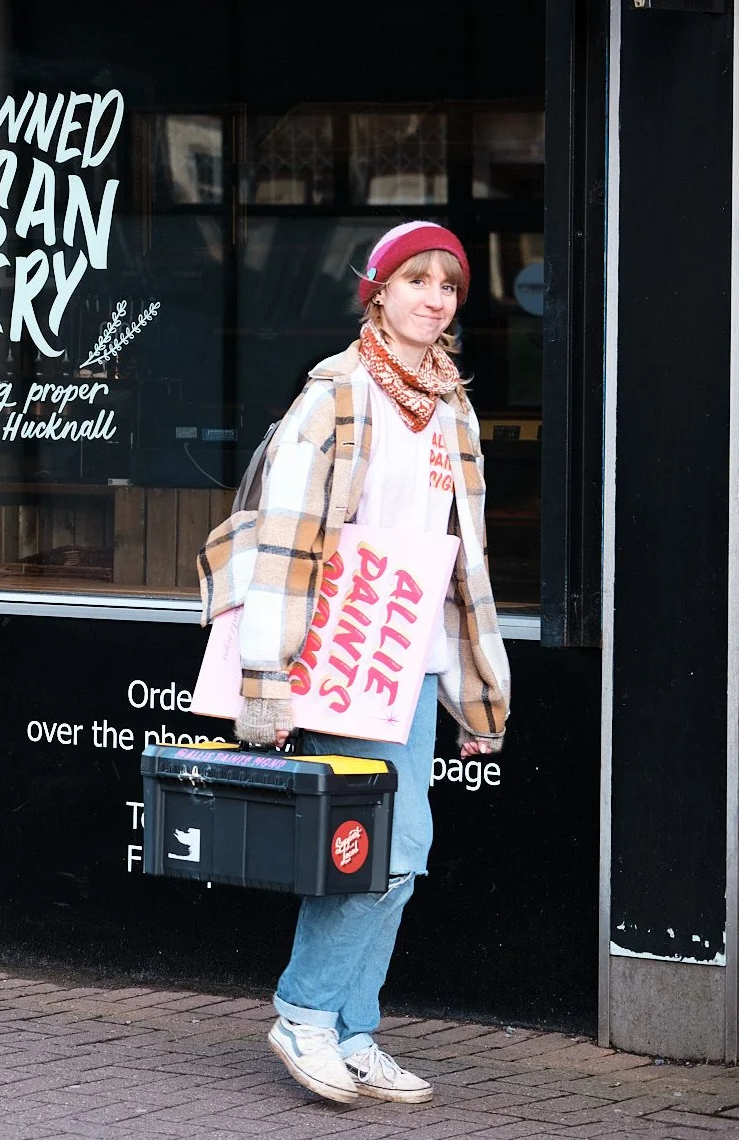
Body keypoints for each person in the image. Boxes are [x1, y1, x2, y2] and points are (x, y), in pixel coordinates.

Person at [197, 221, 511, 1106]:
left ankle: (352, 1027)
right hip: (335, 659)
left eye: (448, 283)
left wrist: (477, 697)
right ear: (378, 292)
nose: (435, 297)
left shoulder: (452, 405)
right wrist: (271, 679)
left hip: (403, 661)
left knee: (400, 852)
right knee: (366, 844)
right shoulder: (335, 395)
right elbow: (289, 544)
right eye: (417, 279)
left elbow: (464, 563)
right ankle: (303, 1010)